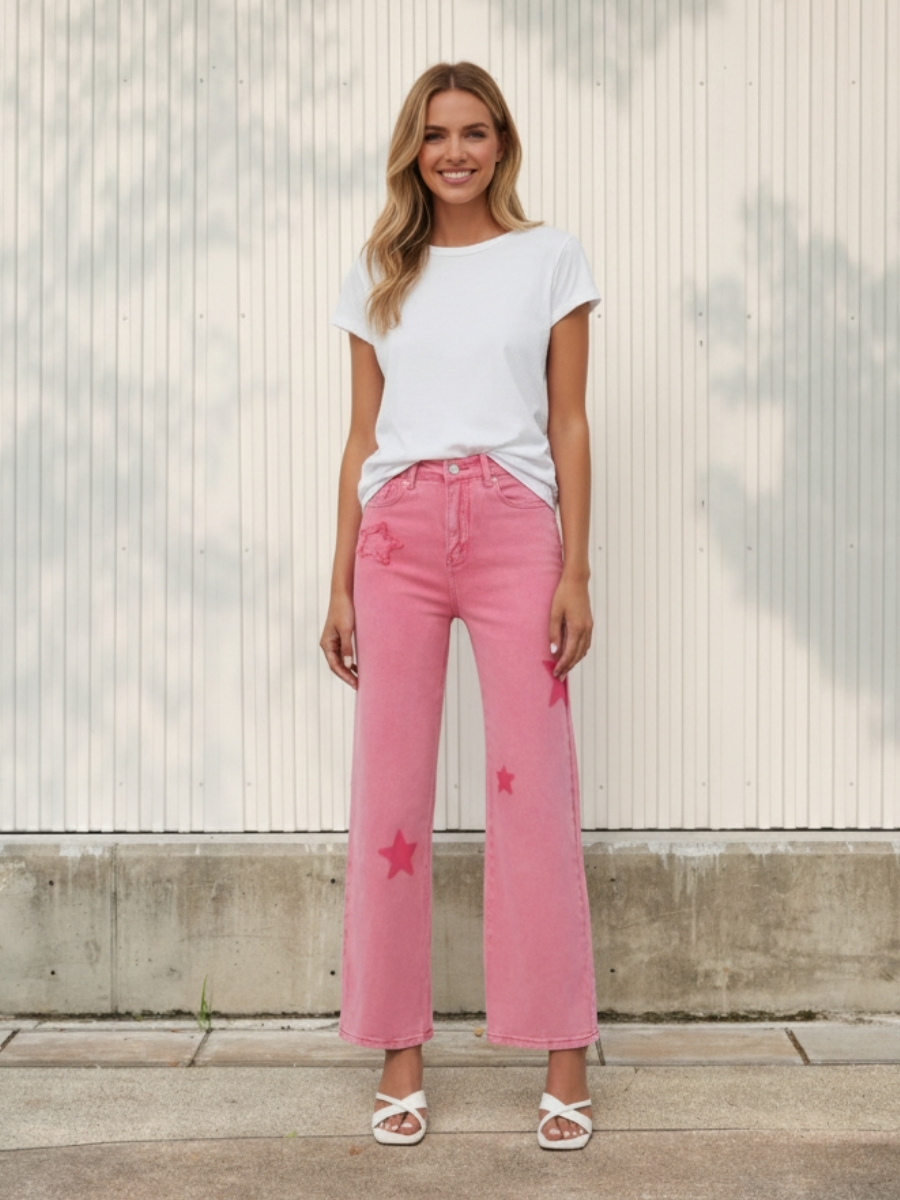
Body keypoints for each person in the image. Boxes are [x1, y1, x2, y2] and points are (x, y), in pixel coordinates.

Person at [321, 61, 600, 1151]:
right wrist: (338, 577)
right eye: (436, 134)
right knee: (388, 791)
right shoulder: (380, 270)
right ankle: (398, 1051)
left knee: (537, 790)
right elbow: (362, 436)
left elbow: (568, 422)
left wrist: (576, 569)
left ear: (502, 144)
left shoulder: (550, 258)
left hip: (513, 525)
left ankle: (564, 1050)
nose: (454, 152)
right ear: (413, 148)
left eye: (474, 133)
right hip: (395, 531)